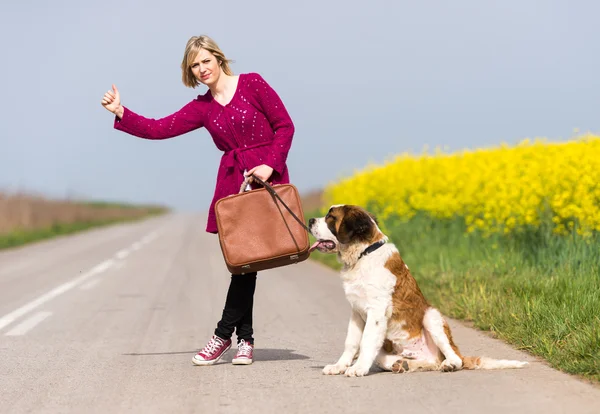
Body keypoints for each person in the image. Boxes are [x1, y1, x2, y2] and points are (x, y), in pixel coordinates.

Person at [101, 35, 295, 366]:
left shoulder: (253, 84)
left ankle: (223, 336)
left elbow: (285, 126)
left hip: (267, 181)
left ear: (219, 59)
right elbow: (159, 128)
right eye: (194, 65)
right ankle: (244, 340)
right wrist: (121, 111)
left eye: (206, 61)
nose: (202, 68)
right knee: (243, 262)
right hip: (232, 187)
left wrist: (269, 163)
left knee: (250, 263)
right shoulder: (201, 108)